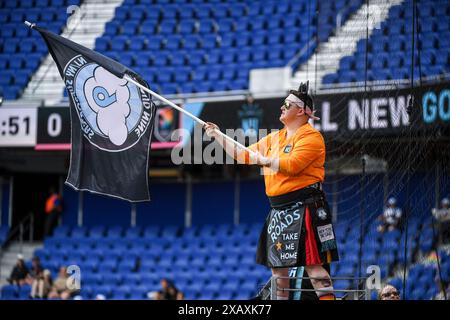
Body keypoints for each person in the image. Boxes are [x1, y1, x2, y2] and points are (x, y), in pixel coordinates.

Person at [204, 81, 339, 300]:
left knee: (315, 269)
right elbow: (243, 155)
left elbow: (292, 165)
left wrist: (263, 159)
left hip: (306, 206)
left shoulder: (312, 137)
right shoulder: (275, 137)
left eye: (287, 104)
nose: (282, 107)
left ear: (301, 111)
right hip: (279, 211)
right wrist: (218, 135)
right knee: (278, 273)